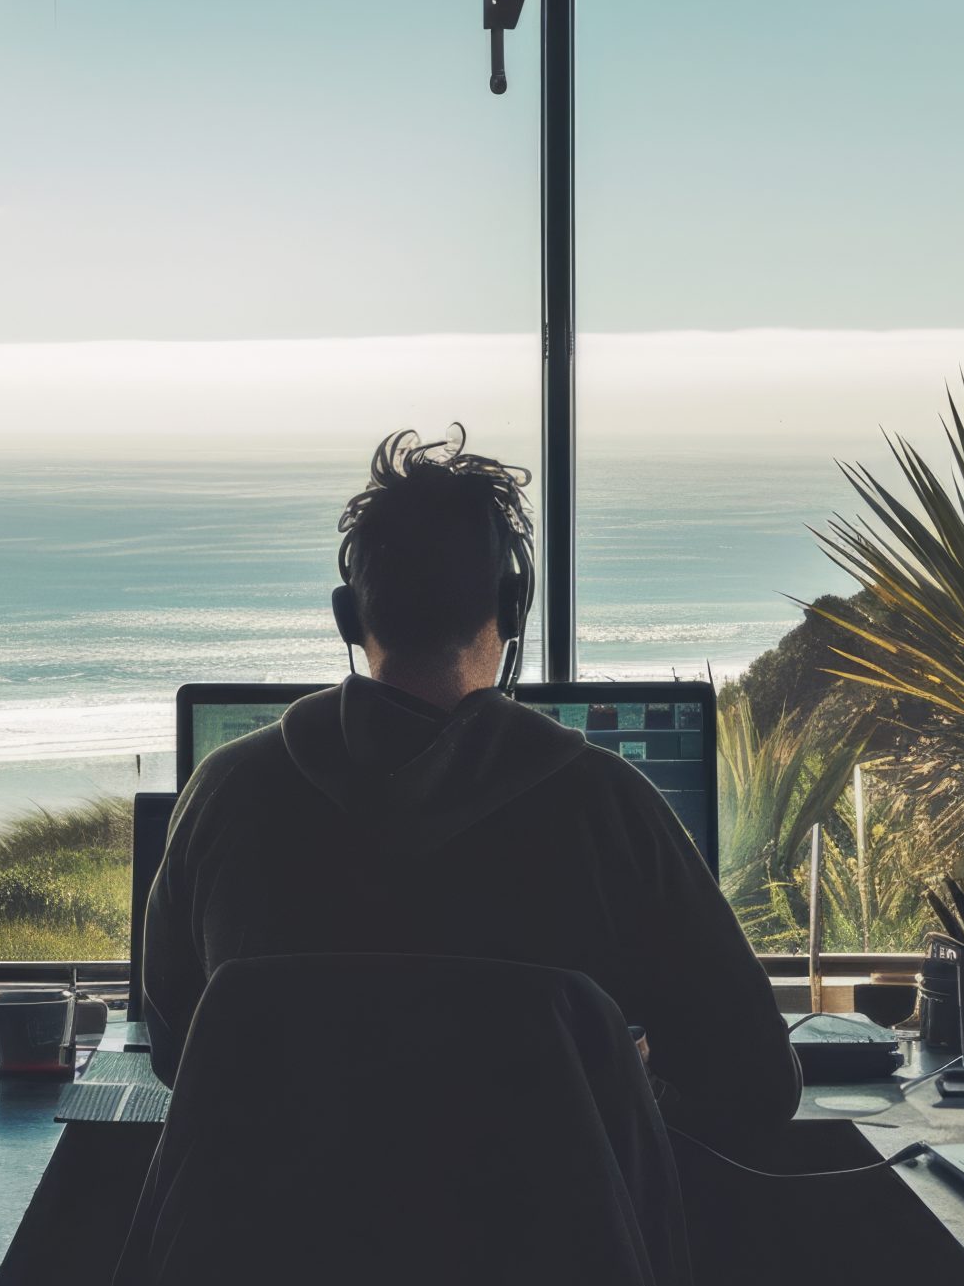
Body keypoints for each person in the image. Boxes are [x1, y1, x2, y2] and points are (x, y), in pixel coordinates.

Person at [142, 427, 799, 1144]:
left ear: (346, 617)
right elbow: (757, 1081)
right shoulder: (610, 808)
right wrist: (611, 1079)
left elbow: (180, 1056)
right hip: (547, 1254)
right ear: (515, 606)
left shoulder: (221, 795)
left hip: (270, 1252)